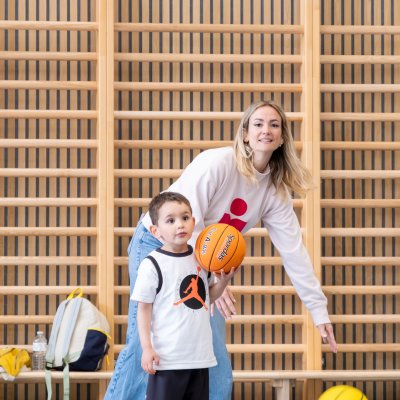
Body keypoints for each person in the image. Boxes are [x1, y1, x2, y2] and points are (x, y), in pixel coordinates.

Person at [105, 100, 338, 400]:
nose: (266, 130)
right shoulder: (218, 163)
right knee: (146, 341)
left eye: (274, 125)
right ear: (245, 134)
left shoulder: (274, 192)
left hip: (204, 261)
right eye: (258, 124)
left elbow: (294, 253)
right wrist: (210, 273)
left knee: (210, 349)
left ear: (282, 138)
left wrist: (319, 311)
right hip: (159, 242)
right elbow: (187, 220)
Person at [131, 191, 236, 400]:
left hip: (199, 359)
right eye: (171, 220)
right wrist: (146, 348)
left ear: (194, 222)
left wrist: (223, 282)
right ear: (155, 231)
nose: (180, 224)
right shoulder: (152, 264)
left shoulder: (201, 259)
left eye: (185, 218)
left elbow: (208, 297)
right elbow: (143, 309)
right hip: (167, 361)